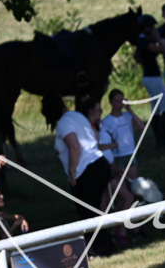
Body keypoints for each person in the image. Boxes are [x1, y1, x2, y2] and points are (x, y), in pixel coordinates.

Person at [55, 98, 131, 251]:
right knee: (101, 208)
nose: (100, 112)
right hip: (100, 164)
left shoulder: (64, 123)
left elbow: (75, 147)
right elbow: (95, 139)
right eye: (98, 109)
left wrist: (72, 173)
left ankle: (102, 247)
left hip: (86, 171)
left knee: (90, 212)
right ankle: (107, 243)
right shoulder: (78, 116)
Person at [134, 13, 165, 150]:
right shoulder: (146, 41)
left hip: (148, 77)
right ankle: (164, 142)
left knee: (155, 109)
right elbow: (164, 49)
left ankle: (159, 142)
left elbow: (136, 57)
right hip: (153, 78)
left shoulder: (141, 41)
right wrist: (158, 38)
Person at [100, 88, 146, 182]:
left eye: (122, 101)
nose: (119, 104)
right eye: (116, 101)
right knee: (122, 184)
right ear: (111, 103)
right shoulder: (106, 121)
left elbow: (142, 128)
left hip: (130, 153)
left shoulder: (128, 116)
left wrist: (129, 110)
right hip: (117, 156)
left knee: (134, 183)